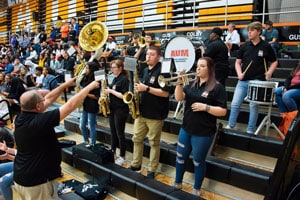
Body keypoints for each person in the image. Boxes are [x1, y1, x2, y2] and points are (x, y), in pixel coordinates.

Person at [13, 75, 100, 199]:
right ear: (38, 106)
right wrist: (88, 87)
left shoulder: (22, 116)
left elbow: (48, 98)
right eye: (41, 100)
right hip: (36, 182)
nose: (45, 100)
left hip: (26, 176)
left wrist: (65, 85)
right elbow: (70, 106)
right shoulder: (38, 122)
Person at [173, 57, 227, 196]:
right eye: (197, 66)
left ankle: (197, 188)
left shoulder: (217, 87)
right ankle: (177, 183)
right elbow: (179, 98)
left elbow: (223, 111)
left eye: (202, 66)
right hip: (186, 129)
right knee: (180, 157)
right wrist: (179, 82)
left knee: (198, 161)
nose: (198, 68)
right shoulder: (191, 84)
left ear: (209, 69)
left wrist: (206, 107)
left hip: (203, 133)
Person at [226, 21, 278, 134]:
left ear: (259, 32)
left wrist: (269, 72)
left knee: (253, 106)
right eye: (248, 30)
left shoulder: (266, 46)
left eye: (252, 30)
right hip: (243, 80)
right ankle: (230, 125)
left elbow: (274, 62)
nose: (249, 32)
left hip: (258, 81)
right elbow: (237, 62)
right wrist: (239, 74)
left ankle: (250, 129)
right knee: (235, 104)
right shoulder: (244, 46)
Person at [130, 46, 171, 178]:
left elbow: (165, 93)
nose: (148, 57)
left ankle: (152, 169)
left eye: (152, 55)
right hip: (142, 112)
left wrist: (146, 88)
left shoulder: (163, 71)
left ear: (158, 57)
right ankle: (136, 164)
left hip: (156, 114)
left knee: (154, 142)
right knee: (136, 139)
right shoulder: (146, 70)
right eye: (147, 54)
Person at [103, 59, 129, 166]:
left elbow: (124, 96)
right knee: (113, 132)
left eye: (114, 67)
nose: (112, 69)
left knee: (120, 133)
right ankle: (112, 152)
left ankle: (122, 156)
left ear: (120, 68)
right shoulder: (114, 79)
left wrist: (111, 91)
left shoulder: (124, 80)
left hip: (121, 109)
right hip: (113, 109)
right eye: (112, 67)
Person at [79, 61, 100, 147]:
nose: (86, 70)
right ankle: (86, 141)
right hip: (85, 103)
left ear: (92, 70)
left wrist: (85, 93)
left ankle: (93, 143)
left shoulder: (97, 80)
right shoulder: (85, 77)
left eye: (87, 68)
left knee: (91, 125)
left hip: (92, 104)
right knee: (82, 125)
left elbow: (96, 97)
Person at [0, 127, 16, 200]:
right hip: (21, 163)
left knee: (3, 181)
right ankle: (2, 196)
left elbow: (25, 162)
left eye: (13, 124)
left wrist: (8, 156)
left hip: (31, 168)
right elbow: (21, 156)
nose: (12, 126)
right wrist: (7, 151)